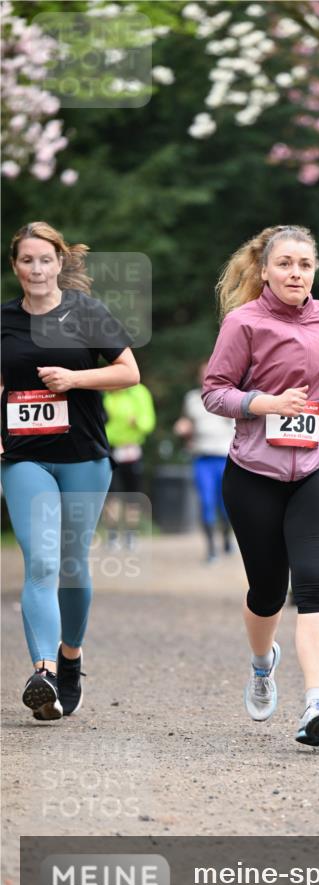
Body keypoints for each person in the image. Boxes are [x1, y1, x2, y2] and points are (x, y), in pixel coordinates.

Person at [202, 225, 319, 746]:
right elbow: (214, 392)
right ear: (266, 270)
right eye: (286, 264)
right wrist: (264, 404)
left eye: (305, 265)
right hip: (255, 473)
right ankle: (261, 663)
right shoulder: (243, 323)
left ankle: (316, 704)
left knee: (316, 585)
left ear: (315, 271)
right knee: (269, 592)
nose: (296, 273)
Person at [1, 221, 139, 721]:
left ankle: (70, 656)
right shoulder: (4, 321)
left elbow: (129, 371)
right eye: (26, 261)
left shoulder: (86, 312)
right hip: (24, 456)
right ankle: (43, 675)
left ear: (60, 262)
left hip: (83, 456)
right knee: (39, 562)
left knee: (72, 562)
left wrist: (76, 378)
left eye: (45, 259)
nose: (36, 269)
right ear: (15, 267)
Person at [174, 362, 236, 562]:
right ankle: (211, 549)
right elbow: (186, 423)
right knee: (206, 502)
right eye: (203, 374)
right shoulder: (192, 398)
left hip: (225, 457)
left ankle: (227, 539)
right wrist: (183, 428)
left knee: (225, 505)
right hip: (202, 458)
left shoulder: (231, 395)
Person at [103, 382, 156, 550]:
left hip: (132, 448)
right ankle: (112, 535)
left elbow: (148, 421)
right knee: (112, 495)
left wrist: (138, 422)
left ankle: (130, 534)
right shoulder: (106, 394)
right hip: (110, 449)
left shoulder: (140, 392)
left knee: (132, 494)